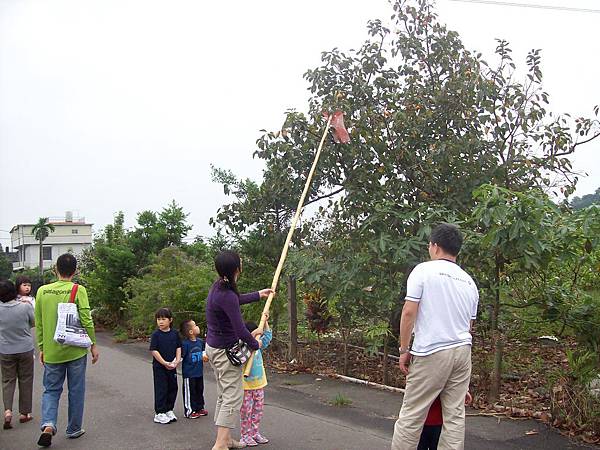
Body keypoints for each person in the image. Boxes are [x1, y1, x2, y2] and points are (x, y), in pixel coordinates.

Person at [391, 223, 479, 450]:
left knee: (412, 414)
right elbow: (468, 326)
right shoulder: (469, 282)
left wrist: (403, 349)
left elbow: (409, 311)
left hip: (432, 351)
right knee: (455, 417)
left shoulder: (423, 270)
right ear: (456, 250)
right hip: (462, 352)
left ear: (435, 246)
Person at [205, 250, 274, 450]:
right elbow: (240, 329)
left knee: (223, 395)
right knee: (232, 397)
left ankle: (225, 439)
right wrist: (255, 344)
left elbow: (234, 302)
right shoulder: (225, 293)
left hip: (213, 347)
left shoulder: (220, 286)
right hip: (223, 352)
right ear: (236, 269)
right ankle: (220, 444)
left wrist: (257, 295)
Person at [35, 253, 99, 448]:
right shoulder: (78, 290)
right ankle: (73, 428)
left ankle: (48, 424)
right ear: (76, 271)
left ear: (55, 269)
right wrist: (93, 344)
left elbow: (39, 322)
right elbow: (86, 318)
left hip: (53, 351)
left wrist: (42, 347)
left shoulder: (42, 291)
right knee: (76, 390)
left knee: (51, 389)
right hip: (76, 350)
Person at [0, 280, 35, 429]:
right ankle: (24, 413)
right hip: (25, 348)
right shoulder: (25, 306)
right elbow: (33, 323)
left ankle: (8, 411)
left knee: (8, 380)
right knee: (25, 379)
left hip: (6, 349)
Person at [240, 319, 272, 447]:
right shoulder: (244, 348)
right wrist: (252, 337)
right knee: (246, 412)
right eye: (255, 334)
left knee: (257, 411)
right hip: (246, 386)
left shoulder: (259, 346)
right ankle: (245, 435)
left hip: (259, 385)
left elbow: (268, 337)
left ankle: (254, 433)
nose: (258, 338)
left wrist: (265, 323)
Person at [149, 307, 181, 424]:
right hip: (159, 367)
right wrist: (164, 363)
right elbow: (154, 350)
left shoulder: (175, 333)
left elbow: (178, 347)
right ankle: (160, 412)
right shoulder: (156, 335)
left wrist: (176, 361)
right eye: (158, 319)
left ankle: (169, 409)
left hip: (172, 366)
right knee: (161, 388)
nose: (160, 322)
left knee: (173, 388)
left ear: (170, 320)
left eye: (163, 319)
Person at [179, 318, 208, 419]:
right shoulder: (185, 344)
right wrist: (173, 363)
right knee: (190, 391)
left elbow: (204, 351)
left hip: (199, 372)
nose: (197, 327)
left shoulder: (200, 342)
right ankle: (189, 410)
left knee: (199, 390)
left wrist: (205, 356)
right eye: (195, 325)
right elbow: (181, 357)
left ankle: (199, 407)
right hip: (189, 373)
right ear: (191, 331)